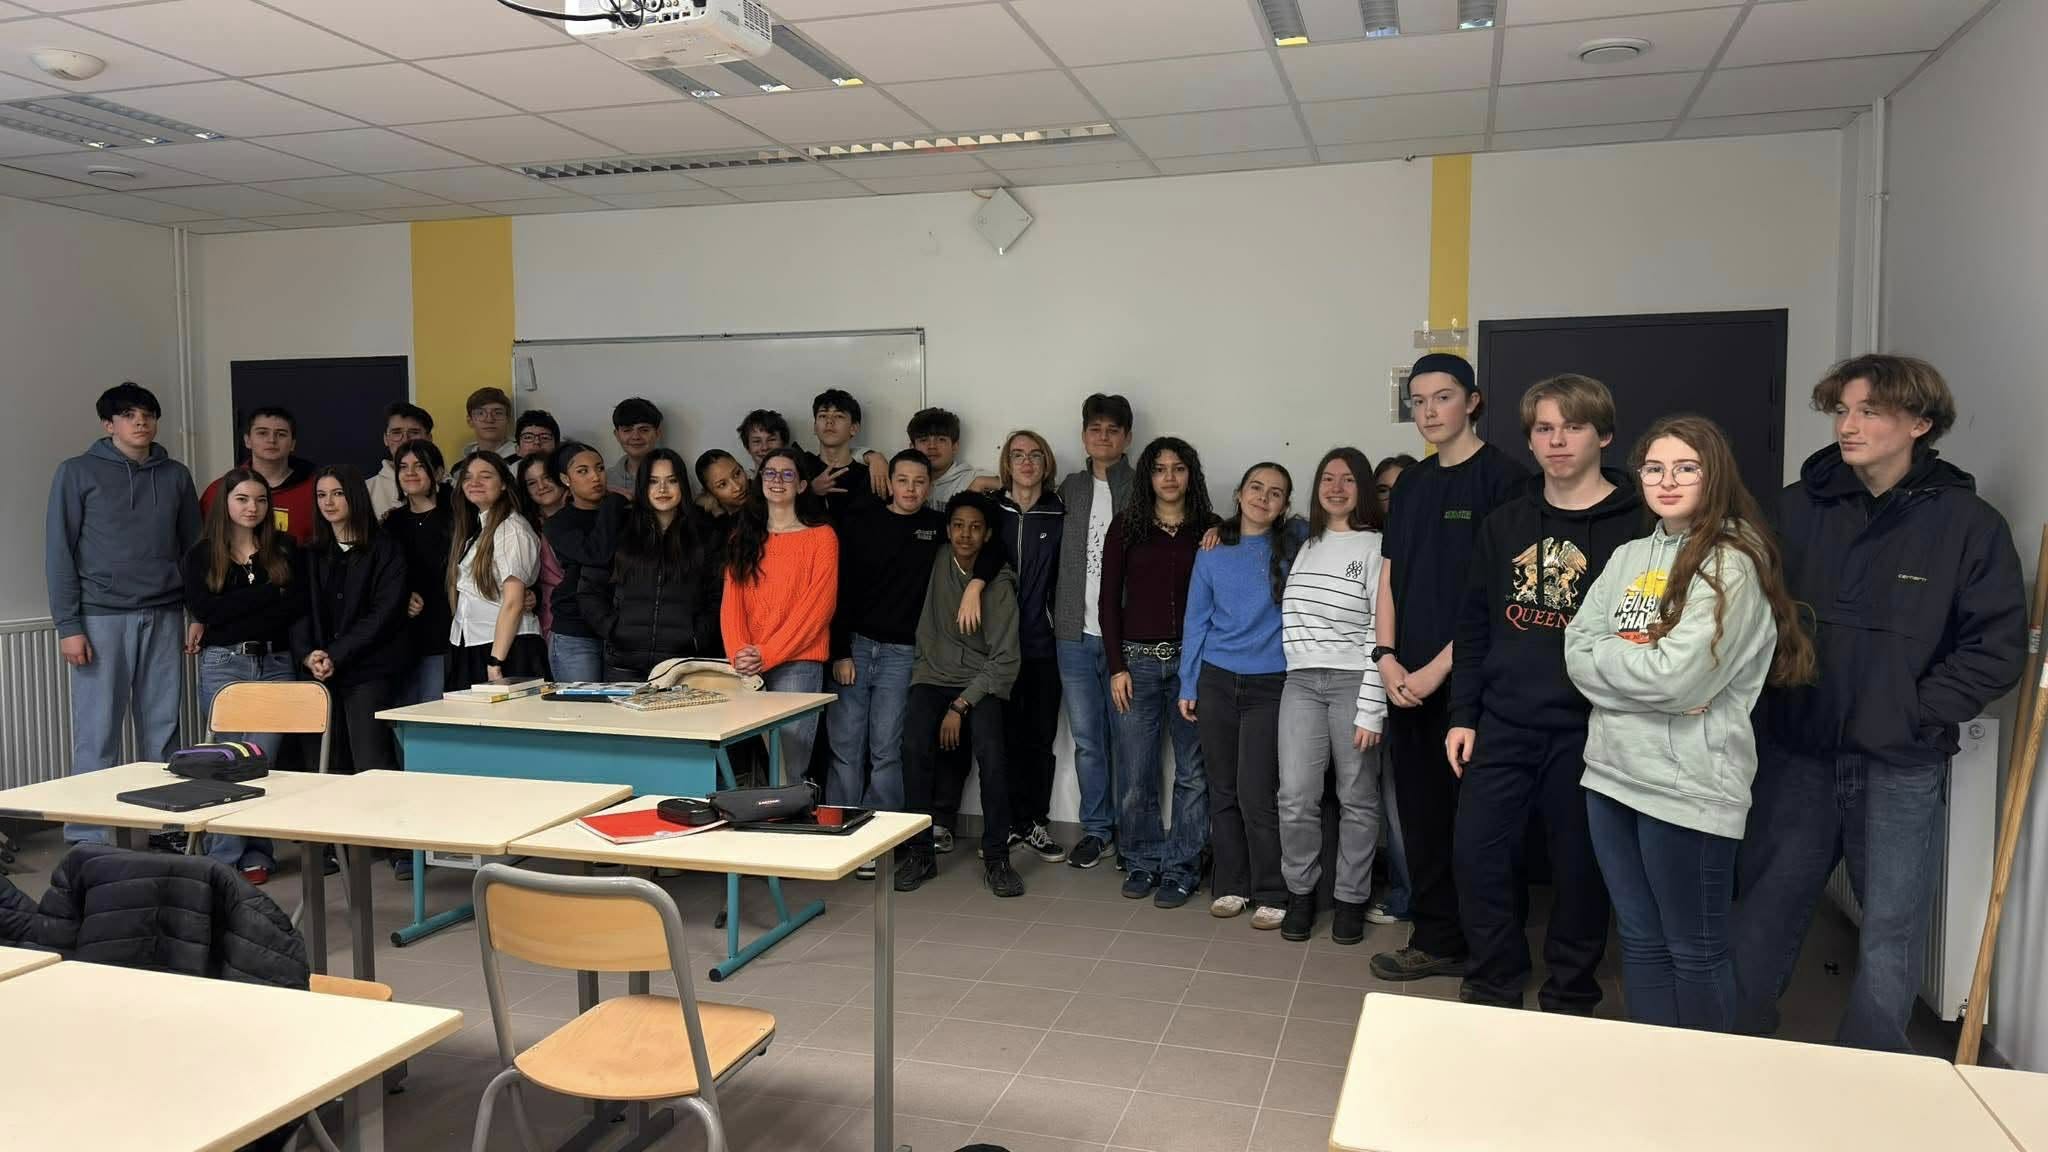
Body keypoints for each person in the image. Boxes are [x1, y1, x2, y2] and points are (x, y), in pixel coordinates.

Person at [1735, 355, 2026, 1051]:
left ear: (1920, 424)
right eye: (1842, 410)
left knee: (1891, 928)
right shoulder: (1794, 509)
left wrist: (1914, 712)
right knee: (1766, 907)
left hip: (1899, 760)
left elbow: (1996, 647)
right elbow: (1748, 612)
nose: (1848, 425)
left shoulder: (1968, 524)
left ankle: (1873, 1066)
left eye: (1869, 411)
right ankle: (1735, 1042)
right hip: (1798, 750)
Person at [1566, 415, 1815, 1032]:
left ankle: (1712, 1082)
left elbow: (1678, 678)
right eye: (1654, 468)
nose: (1667, 481)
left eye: (1686, 468)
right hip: (1610, 775)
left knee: (1695, 952)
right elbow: (1576, 650)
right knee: (1640, 941)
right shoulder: (1628, 556)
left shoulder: (1733, 562)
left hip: (1689, 787)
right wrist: (1648, 672)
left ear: (1715, 475)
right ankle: (1656, 1072)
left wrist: (1629, 669)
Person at [1444, 374, 1637, 1013]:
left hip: (1593, 726)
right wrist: (1463, 714)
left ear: (1603, 436)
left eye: (1573, 427)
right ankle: (1494, 978)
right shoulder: (1505, 523)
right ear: (1529, 440)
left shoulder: (1640, 527)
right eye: (1544, 428)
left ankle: (1570, 991)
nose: (1557, 441)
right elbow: (1474, 625)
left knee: (1580, 868)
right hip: (1503, 721)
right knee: (1478, 855)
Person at [1371, 353, 1530, 983]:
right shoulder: (1411, 484)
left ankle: (1492, 951)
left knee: (1481, 827)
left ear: (1473, 401)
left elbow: (1503, 598)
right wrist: (1386, 657)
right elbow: (1389, 577)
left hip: (1472, 685)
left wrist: (1438, 670)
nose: (1430, 411)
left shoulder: (1506, 481)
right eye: (1418, 401)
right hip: (1405, 681)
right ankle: (1436, 938)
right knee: (1422, 817)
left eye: (1442, 397)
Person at [46, 382, 200, 844]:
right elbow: (59, 551)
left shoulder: (175, 476)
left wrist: (196, 612)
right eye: (129, 415)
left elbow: (194, 550)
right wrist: (68, 625)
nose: (141, 422)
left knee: (163, 730)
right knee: (97, 733)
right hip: (100, 618)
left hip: (165, 612)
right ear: (108, 424)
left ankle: (166, 826)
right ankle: (89, 835)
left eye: (147, 414)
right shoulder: (76, 472)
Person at [827, 450, 997, 819]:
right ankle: (839, 826)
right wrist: (839, 651)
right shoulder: (859, 521)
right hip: (855, 647)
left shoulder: (937, 526)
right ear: (889, 483)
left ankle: (880, 834)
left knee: (887, 749)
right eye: (902, 480)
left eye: (919, 482)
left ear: (930, 486)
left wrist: (976, 584)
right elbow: (839, 589)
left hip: (903, 653)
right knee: (846, 747)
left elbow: (990, 547)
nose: (911, 488)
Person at [1276, 447, 1388, 945]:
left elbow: (1380, 630)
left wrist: (1372, 707)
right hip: (1300, 681)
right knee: (1295, 796)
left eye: (1347, 479)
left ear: (1362, 488)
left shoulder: (1377, 547)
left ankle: (1350, 899)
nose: (1336, 488)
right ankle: (1300, 893)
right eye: (1327, 478)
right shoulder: (1306, 542)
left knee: (1357, 798)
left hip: (1353, 682)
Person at [1179, 460, 1297, 927]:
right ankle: (1231, 885)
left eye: (1275, 493)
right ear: (1239, 494)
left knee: (1257, 793)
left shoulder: (1295, 546)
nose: (1263, 498)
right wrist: (1188, 683)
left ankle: (1272, 890)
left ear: (1285, 505)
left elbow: (1321, 522)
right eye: (1255, 487)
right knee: (1222, 789)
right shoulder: (1212, 551)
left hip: (1271, 684)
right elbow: (1196, 620)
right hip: (1216, 681)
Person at [1103, 436, 1217, 910]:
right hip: (1138, 663)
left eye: (1178, 468)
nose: (1169, 477)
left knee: (1193, 771)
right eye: (1159, 468)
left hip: (1193, 664)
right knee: (1137, 771)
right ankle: (1141, 859)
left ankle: (1183, 865)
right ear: (1147, 477)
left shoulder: (1210, 529)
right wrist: (1116, 667)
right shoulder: (1126, 526)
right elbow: (1108, 601)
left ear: (1191, 475)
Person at [894, 492, 1026, 898]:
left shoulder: (998, 584)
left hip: (980, 682)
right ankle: (920, 854)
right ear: (947, 529)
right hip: (932, 675)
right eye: (958, 526)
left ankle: (997, 857)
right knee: (913, 747)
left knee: (993, 756)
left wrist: (961, 705)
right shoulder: (935, 560)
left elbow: (1005, 660)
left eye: (975, 527)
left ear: (988, 535)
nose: (965, 535)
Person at [181, 467, 305, 883]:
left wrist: (238, 603)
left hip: (275, 664)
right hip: (225, 663)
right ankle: (225, 856)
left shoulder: (284, 548)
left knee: (263, 763)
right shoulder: (202, 555)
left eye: (261, 500)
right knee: (228, 762)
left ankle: (254, 851)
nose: (253, 508)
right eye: (243, 499)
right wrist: (269, 592)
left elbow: (294, 607)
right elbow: (207, 610)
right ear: (226, 504)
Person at [1052, 393, 1137, 869]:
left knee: (1129, 741)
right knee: (1087, 741)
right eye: (1095, 429)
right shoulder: (1070, 487)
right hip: (1073, 634)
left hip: (1126, 639)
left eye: (1112, 430)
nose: (1103, 437)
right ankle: (1097, 830)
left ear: (1127, 438)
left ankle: (1133, 832)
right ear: (1084, 435)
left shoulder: (1142, 487)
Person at [722, 448, 838, 774]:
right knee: (748, 767)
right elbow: (732, 603)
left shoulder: (821, 537)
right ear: (760, 481)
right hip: (747, 665)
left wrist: (767, 653)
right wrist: (739, 653)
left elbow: (818, 609)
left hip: (797, 664)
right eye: (770, 473)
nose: (777, 480)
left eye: (788, 474)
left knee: (789, 766)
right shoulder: (742, 537)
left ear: (801, 485)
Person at [294, 467, 407, 777]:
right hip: (318, 673)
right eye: (321, 495)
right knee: (324, 766)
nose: (328, 502)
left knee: (371, 762)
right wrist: (308, 655)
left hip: (368, 671)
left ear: (354, 496)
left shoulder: (386, 548)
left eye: (337, 493)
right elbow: (298, 611)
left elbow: (384, 613)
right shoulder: (310, 553)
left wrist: (336, 654)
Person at [990, 430, 1068, 862]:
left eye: (1035, 455)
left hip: (1042, 646)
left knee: (1039, 740)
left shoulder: (1060, 512)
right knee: (1000, 741)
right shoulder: (990, 510)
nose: (1026, 462)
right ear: (1006, 463)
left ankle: (1034, 823)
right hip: (995, 649)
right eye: (1017, 455)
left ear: (1046, 464)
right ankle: (1002, 827)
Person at [581, 449, 722, 680]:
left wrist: (698, 636)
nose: (662, 489)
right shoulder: (621, 528)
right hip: (624, 664)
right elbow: (590, 589)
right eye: (653, 481)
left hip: (683, 665)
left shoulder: (705, 534)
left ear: (683, 485)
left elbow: (718, 595)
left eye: (671, 481)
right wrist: (613, 630)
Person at [446, 451, 549, 685]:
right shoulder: (475, 530)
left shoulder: (512, 529)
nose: (475, 482)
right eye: (468, 477)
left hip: (506, 648)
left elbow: (514, 601)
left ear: (503, 484)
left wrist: (495, 661)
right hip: (472, 642)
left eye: (485, 476)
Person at [1368, 452, 1417, 924]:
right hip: (1365, 685)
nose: (1393, 499)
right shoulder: (1361, 539)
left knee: (1404, 797)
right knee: (1383, 795)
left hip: (1416, 682)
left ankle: (1412, 895)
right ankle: (1402, 890)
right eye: (1383, 490)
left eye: (1401, 488)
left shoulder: (1426, 540)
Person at [543, 441, 626, 683]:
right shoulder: (559, 523)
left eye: (600, 468)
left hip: (621, 628)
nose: (595, 477)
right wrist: (612, 503)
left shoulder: (625, 513)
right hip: (576, 631)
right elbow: (597, 554)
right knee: (583, 704)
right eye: (583, 471)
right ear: (565, 479)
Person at [382, 440, 454, 706]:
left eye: (419, 466)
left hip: (446, 634)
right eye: (403, 467)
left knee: (435, 712)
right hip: (403, 637)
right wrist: (402, 597)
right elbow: (383, 577)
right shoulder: (392, 523)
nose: (410, 473)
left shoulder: (457, 516)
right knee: (402, 715)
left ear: (438, 472)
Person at [201, 406, 317, 542]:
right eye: (262, 433)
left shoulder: (318, 490)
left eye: (281, 434)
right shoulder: (220, 489)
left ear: (292, 444)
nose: (271, 440)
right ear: (247, 441)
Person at [514, 452, 568, 647]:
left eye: (547, 477)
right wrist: (530, 593)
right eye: (532, 483)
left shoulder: (586, 513)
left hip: (595, 617)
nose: (541, 486)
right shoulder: (523, 526)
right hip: (550, 621)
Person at [810, 389, 891, 507]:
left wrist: (876, 457)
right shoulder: (801, 467)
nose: (829, 421)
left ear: (854, 428)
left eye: (839, 416)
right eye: (823, 415)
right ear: (815, 427)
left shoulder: (872, 475)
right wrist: (812, 491)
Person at [908, 407, 1000, 508]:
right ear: (912, 448)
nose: (932, 446)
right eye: (924, 440)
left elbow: (1010, 486)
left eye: (941, 439)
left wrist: (979, 484)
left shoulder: (972, 478)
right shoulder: (903, 482)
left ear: (954, 447)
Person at [366, 402, 432, 520]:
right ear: (386, 439)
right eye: (396, 433)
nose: (405, 440)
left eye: (414, 432)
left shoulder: (451, 487)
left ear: (429, 438)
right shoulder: (366, 490)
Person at [608, 397, 664, 496]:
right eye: (627, 430)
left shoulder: (674, 475)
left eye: (644, 430)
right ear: (617, 435)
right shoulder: (606, 479)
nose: (636, 437)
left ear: (657, 433)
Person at [695, 449, 749, 527]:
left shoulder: (764, 495)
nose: (737, 487)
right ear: (709, 492)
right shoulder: (704, 524)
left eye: (737, 474)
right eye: (722, 484)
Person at [462, 387, 517, 459]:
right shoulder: (464, 462)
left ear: (508, 419)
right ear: (470, 421)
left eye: (498, 413)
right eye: (481, 413)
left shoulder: (524, 459)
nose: (489, 420)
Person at [737, 409, 796, 475]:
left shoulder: (799, 478)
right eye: (757, 441)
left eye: (771, 440)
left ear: (784, 443)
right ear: (747, 447)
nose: (765, 447)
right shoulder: (742, 480)